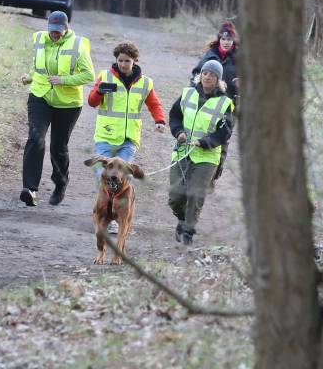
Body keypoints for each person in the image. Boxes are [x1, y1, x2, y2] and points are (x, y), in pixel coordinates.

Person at [87, 41, 166, 233]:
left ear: (134, 61)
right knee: (104, 177)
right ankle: (103, 212)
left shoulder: (145, 82)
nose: (123, 64)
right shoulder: (105, 77)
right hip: (105, 136)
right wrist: (99, 92)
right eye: (120, 60)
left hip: (129, 139)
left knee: (119, 177)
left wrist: (160, 121)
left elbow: (154, 103)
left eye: (127, 61)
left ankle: (114, 217)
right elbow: (91, 102)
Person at [20, 11, 95, 206]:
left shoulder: (77, 45)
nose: (55, 34)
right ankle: (30, 189)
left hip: (68, 103)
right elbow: (39, 66)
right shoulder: (39, 39)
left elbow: (89, 75)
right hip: (40, 95)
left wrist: (64, 80)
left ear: (66, 28)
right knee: (36, 137)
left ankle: (60, 184)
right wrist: (30, 76)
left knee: (58, 146)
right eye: (52, 31)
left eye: (58, 31)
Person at [168, 60, 234, 245]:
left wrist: (205, 142)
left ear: (218, 80)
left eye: (212, 75)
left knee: (195, 195)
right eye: (205, 73)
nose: (207, 77)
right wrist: (179, 132)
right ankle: (182, 220)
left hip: (207, 156)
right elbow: (175, 116)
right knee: (175, 196)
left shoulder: (225, 103)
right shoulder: (187, 93)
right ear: (200, 75)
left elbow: (225, 131)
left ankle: (188, 232)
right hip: (183, 152)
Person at [190, 20, 239, 181]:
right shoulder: (209, 55)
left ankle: (213, 175)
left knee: (222, 139)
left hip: (228, 105)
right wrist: (195, 90)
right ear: (219, 39)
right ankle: (196, 169)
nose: (226, 42)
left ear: (233, 41)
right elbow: (196, 74)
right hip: (206, 102)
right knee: (204, 134)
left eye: (229, 40)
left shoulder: (239, 59)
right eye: (224, 39)